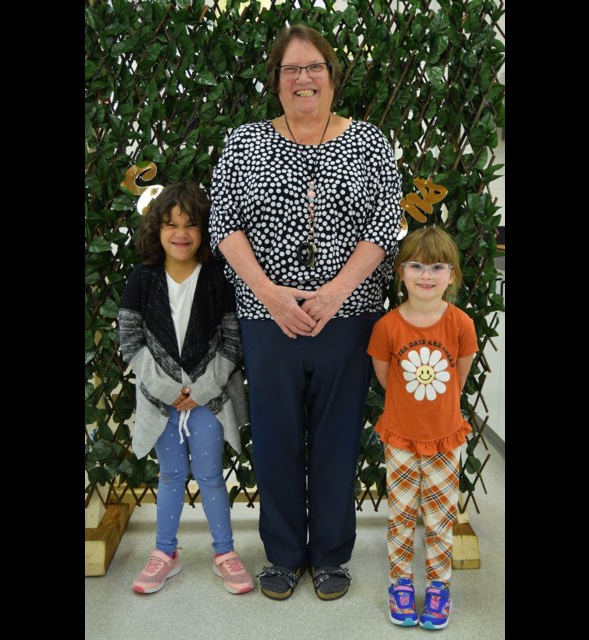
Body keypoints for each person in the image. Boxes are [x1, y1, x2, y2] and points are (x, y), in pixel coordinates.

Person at [208, 24, 402, 601]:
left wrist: (337, 291)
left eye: (313, 67)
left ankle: (332, 556)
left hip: (347, 318)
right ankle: (284, 555)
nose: (303, 79)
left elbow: (383, 228)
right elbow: (224, 226)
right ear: (276, 81)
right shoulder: (244, 143)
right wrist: (271, 294)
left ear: (333, 77)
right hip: (269, 321)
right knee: (275, 438)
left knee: (339, 437)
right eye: (290, 69)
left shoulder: (369, 143)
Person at [118, 182, 254, 595]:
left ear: (206, 230)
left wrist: (202, 387)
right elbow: (130, 342)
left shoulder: (218, 278)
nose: (181, 233)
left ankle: (225, 553)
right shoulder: (142, 279)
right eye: (171, 224)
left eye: (192, 225)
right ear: (156, 230)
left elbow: (232, 341)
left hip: (209, 401)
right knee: (172, 474)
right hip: (161, 403)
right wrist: (164, 387)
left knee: (212, 476)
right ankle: (165, 554)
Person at [366, 226, 479, 629]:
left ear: (452, 275)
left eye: (437, 266)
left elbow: (460, 376)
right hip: (399, 438)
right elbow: (385, 377)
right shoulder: (387, 327)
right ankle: (399, 582)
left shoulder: (462, 324)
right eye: (416, 265)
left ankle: (438, 587)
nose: (426, 275)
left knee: (439, 517)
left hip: (446, 439)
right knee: (400, 515)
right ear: (400, 271)